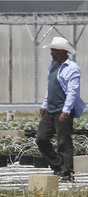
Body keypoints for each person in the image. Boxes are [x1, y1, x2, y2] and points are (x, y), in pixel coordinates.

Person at [36, 37, 86, 182]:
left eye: (53, 50)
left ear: (61, 51)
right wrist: (44, 105)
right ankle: (58, 165)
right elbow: (49, 88)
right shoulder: (53, 66)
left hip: (62, 111)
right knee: (41, 138)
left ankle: (67, 172)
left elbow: (72, 92)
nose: (51, 53)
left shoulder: (72, 68)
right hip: (50, 110)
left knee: (63, 142)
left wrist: (66, 111)